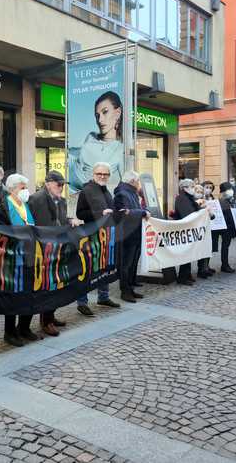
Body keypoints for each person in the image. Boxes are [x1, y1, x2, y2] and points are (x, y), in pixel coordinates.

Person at [28, 170, 77, 335]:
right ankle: (45, 320)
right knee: (46, 286)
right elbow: (36, 223)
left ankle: (51, 315)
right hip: (44, 249)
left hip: (59, 247)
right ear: (48, 183)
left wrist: (70, 221)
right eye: (59, 184)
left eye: (63, 184)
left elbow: (61, 220)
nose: (61, 187)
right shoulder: (36, 198)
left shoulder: (61, 201)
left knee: (56, 285)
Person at [75, 162, 121, 314]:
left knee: (105, 266)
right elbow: (80, 214)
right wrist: (100, 213)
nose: (102, 176)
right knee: (88, 268)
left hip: (106, 235)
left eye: (105, 174)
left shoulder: (106, 190)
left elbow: (110, 210)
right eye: (99, 174)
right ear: (93, 175)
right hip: (91, 236)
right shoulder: (86, 190)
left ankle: (103, 297)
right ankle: (82, 302)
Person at [0, 174, 37, 346]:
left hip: (29, 254)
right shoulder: (6, 205)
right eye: (22, 188)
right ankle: (10, 332)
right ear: (13, 189)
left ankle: (24, 327)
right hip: (13, 256)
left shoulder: (25, 204)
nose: (26, 191)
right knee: (13, 295)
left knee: (29, 292)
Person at [68, 91, 124, 192]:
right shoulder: (89, 142)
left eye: (105, 112)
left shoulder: (122, 150)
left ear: (117, 113)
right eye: (97, 115)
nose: (100, 120)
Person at [113, 171, 150, 303]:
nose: (139, 183)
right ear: (132, 181)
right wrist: (143, 212)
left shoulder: (131, 192)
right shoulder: (122, 193)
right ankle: (125, 291)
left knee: (132, 263)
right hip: (126, 234)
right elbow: (124, 213)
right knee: (125, 265)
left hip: (134, 233)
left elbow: (131, 211)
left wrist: (139, 212)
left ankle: (130, 288)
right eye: (138, 181)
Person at [174, 179, 203, 285]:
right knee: (185, 254)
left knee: (189, 253)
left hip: (189, 229)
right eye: (191, 186)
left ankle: (187, 274)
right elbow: (187, 214)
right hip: (184, 228)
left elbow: (196, 209)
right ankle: (182, 277)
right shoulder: (182, 198)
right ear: (185, 188)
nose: (193, 188)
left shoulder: (188, 198)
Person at [216, 181, 236, 273]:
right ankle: (224, 265)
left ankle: (225, 264)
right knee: (224, 246)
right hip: (224, 227)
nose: (231, 191)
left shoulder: (229, 199)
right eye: (228, 189)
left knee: (226, 245)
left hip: (228, 226)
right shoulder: (221, 200)